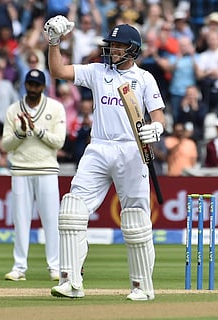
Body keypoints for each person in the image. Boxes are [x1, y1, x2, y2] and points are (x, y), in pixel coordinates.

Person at [44, 16, 166, 300]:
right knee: (72, 210)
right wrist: (54, 42)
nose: (112, 50)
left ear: (133, 50)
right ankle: (71, 281)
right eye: (110, 45)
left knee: (136, 218)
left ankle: (142, 287)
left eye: (118, 46)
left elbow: (158, 114)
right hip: (98, 147)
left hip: (131, 150)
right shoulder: (98, 72)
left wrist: (156, 129)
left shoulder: (144, 78)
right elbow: (58, 70)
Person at [2, 69, 66, 282]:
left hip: (47, 169)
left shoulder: (56, 108)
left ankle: (55, 267)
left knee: (51, 221)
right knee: (20, 221)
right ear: (25, 85)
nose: (32, 88)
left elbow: (59, 142)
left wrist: (35, 129)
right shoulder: (13, 110)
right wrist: (21, 132)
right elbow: (5, 145)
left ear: (43, 87)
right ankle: (19, 267)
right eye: (30, 84)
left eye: (37, 85)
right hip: (20, 169)